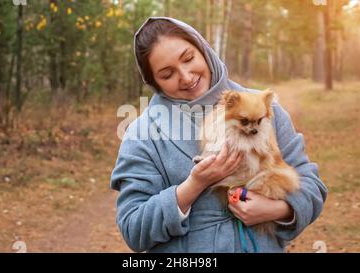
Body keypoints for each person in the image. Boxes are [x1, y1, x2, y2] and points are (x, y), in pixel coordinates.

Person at [110, 17, 327, 253]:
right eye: (167, 74)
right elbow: (133, 228)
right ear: (154, 83)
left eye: (188, 58)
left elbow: (311, 185)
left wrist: (278, 209)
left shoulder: (263, 108)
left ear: (203, 49)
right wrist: (194, 185)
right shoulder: (142, 134)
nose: (186, 76)